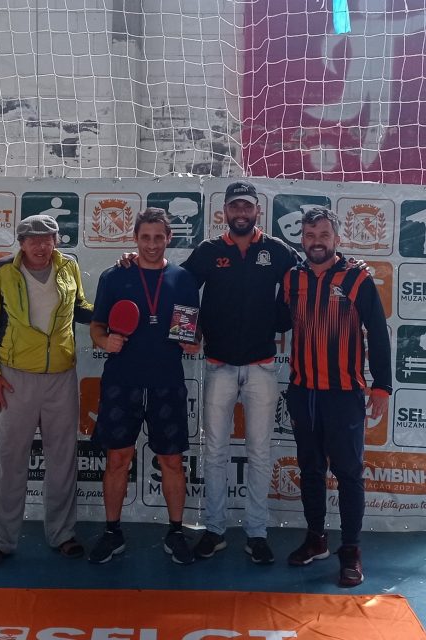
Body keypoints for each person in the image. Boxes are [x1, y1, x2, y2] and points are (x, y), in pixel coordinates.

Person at [181, 181, 300, 564]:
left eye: (247, 206)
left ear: (257, 211)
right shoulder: (209, 250)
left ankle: (257, 533)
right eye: (235, 207)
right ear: (225, 212)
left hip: (262, 366)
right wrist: (189, 331)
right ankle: (215, 530)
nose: (241, 213)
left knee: (259, 452)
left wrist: (281, 320)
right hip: (218, 365)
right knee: (214, 452)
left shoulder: (277, 250)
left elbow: (305, 280)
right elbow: (180, 287)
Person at [279, 206, 391, 587]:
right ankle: (316, 539)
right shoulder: (292, 278)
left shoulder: (357, 277)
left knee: (348, 474)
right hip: (304, 392)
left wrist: (382, 385)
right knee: (310, 469)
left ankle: (351, 550)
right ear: (302, 239)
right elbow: (276, 321)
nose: (316, 242)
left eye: (323, 235)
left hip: (344, 395)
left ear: (337, 239)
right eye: (310, 236)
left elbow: (378, 332)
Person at [0, 213, 93, 566]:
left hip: (61, 377)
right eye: (33, 240)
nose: (41, 246)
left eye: (48, 239)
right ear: (22, 243)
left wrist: (112, 308)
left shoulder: (68, 267)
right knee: (9, 461)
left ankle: (63, 534)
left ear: (56, 241)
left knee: (63, 460)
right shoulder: (0, 272)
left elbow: (81, 308)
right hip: (15, 378)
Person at [88, 207, 200, 565]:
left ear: (169, 238)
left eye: (158, 237)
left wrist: (193, 342)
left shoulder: (183, 279)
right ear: (135, 238)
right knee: (118, 458)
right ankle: (112, 531)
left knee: (172, 460)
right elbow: (97, 327)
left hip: (168, 381)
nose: (152, 244)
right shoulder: (114, 276)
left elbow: (191, 332)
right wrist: (104, 341)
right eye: (145, 237)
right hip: (123, 381)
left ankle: (176, 531)